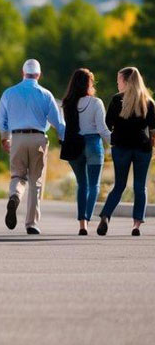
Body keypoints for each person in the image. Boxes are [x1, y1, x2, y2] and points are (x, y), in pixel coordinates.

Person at [0, 58, 65, 234]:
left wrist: (5, 138)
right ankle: (31, 223)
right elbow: (58, 122)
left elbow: (0, 120)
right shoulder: (46, 94)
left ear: (23, 73)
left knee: (17, 175)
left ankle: (15, 196)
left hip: (17, 138)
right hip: (38, 139)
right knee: (36, 182)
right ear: (39, 75)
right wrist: (62, 139)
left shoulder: (9, 93)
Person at [96, 67, 155, 237]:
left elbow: (107, 123)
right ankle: (136, 225)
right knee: (140, 187)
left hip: (121, 147)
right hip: (142, 148)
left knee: (119, 185)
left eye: (119, 80)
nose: (117, 83)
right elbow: (153, 129)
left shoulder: (116, 100)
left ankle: (106, 216)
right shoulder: (148, 102)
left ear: (126, 81)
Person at [59, 68, 109, 235]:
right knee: (94, 184)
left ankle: (82, 225)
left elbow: (66, 127)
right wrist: (114, 143)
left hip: (74, 145)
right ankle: (87, 217)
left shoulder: (67, 103)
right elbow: (102, 129)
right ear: (89, 83)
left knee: (82, 184)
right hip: (93, 143)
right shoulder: (96, 103)